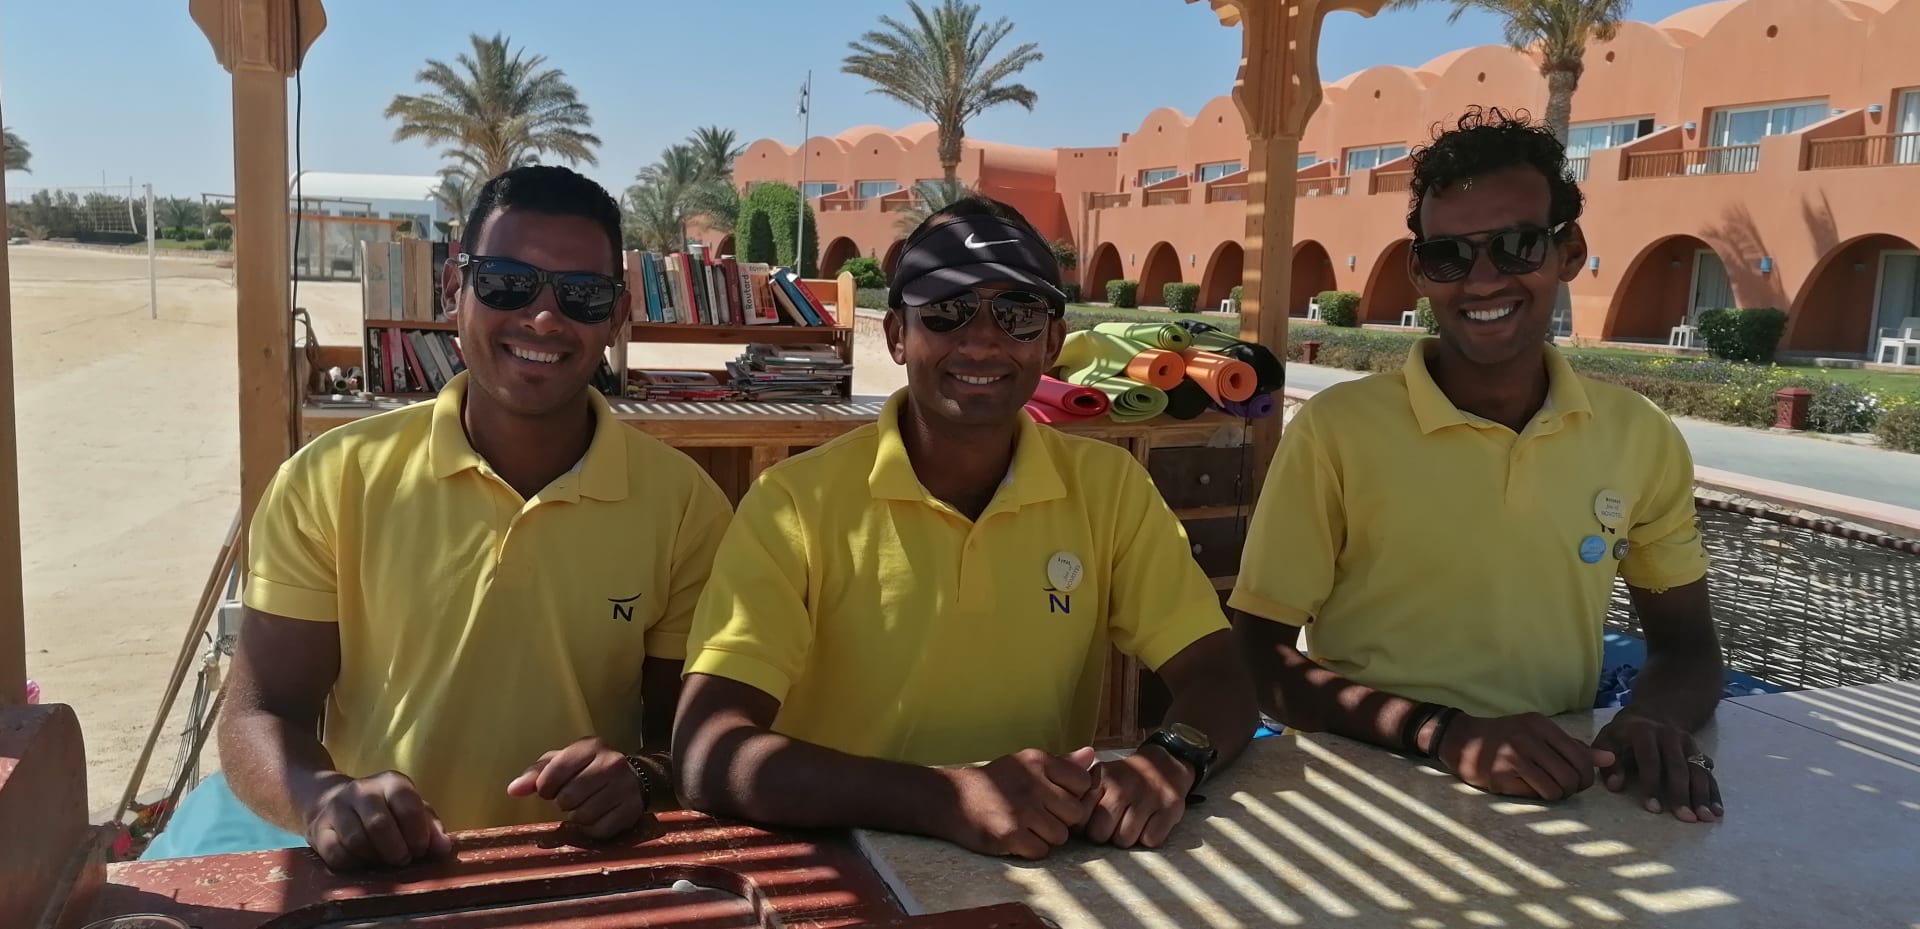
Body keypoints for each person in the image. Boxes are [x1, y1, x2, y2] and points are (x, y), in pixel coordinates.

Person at [671, 197, 1258, 860]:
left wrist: (1170, 760)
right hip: (845, 867)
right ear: (897, 335)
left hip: (1040, 864)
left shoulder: (1109, 489)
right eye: (946, 311)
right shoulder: (794, 504)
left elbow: (1220, 675)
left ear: (1052, 342)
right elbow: (706, 752)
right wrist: (943, 798)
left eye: (1017, 313)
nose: (981, 340)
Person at [213, 165, 733, 870]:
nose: (543, 318)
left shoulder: (685, 504)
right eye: (507, 283)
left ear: (616, 316)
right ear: (454, 290)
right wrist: (323, 797)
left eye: (581, 294)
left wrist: (641, 777)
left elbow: (689, 740)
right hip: (387, 874)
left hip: (588, 876)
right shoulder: (330, 480)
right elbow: (260, 713)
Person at [1232, 107, 1727, 823]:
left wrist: (1654, 719)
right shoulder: (1338, 431)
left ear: (1568, 251)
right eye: (1449, 256)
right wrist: (1441, 732)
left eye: (1517, 246)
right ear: (1419, 272)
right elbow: (1258, 658)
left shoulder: (1637, 436)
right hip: (1366, 790)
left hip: (1558, 789)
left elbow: (1687, 649)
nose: (1484, 280)